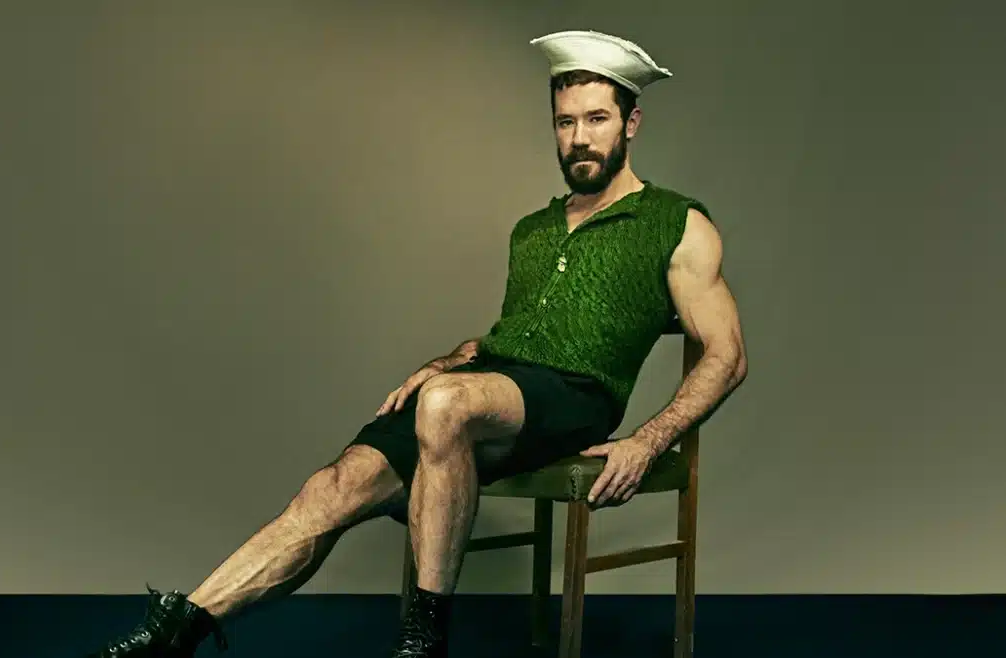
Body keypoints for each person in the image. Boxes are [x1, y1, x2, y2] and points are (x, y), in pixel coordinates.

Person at [84, 30, 748, 658]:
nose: (578, 139)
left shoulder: (677, 222)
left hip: (576, 400)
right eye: (565, 122)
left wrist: (648, 440)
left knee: (443, 405)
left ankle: (423, 642)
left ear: (630, 124)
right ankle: (179, 631)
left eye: (596, 120)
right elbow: (513, 336)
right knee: (334, 486)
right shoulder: (533, 230)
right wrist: (450, 361)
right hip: (490, 389)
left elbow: (726, 355)